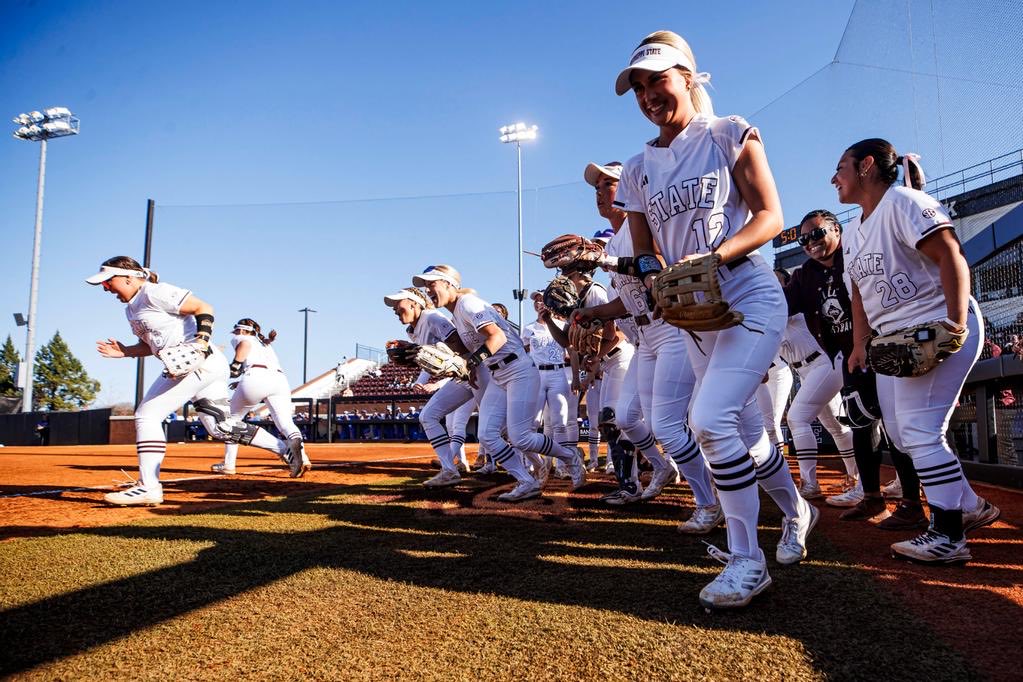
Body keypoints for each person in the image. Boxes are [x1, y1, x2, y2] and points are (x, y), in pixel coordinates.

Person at [612, 30, 815, 608]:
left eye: (659, 80)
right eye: (640, 87)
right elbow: (646, 249)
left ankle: (747, 558)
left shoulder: (727, 132)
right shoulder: (636, 168)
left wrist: (713, 258)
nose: (650, 95)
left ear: (689, 77)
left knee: (708, 418)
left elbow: (771, 216)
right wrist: (657, 277)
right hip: (690, 309)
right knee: (745, 433)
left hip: (746, 290)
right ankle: (797, 509)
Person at [838, 139, 1000, 562]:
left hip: (933, 327)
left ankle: (948, 535)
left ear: (866, 166)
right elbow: (858, 293)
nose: (833, 178)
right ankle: (968, 507)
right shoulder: (853, 230)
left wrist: (954, 323)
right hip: (894, 341)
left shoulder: (903, 201)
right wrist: (859, 344)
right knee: (906, 437)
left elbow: (951, 256)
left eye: (841, 167)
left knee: (918, 432)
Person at [88, 256, 302, 506]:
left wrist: (201, 339)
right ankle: (284, 448)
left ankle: (148, 486)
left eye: (108, 281)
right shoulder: (131, 308)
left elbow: (203, 307)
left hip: (198, 361)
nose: (105, 287)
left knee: (147, 415)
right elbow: (151, 345)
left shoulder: (154, 292)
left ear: (128, 277)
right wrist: (126, 351)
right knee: (220, 427)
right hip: (203, 365)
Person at [576, 161, 720, 525]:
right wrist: (592, 314)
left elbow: (657, 265)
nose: (600, 192)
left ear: (627, 190)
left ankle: (709, 501)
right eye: (596, 187)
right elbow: (627, 300)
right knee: (626, 417)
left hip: (671, 327)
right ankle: (662, 467)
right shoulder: (617, 240)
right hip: (645, 338)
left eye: (608, 184)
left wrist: (607, 259)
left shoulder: (642, 226)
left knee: (668, 424)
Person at [785, 209, 927, 528]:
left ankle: (913, 502)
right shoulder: (804, 275)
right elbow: (780, 306)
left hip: (884, 348)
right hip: (850, 357)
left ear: (836, 230)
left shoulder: (856, 253)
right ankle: (872, 497)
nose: (810, 243)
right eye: (803, 239)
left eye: (817, 234)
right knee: (861, 425)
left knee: (895, 424)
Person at [414, 264, 587, 502]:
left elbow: (498, 336)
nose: (428, 290)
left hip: (518, 370)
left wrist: (472, 362)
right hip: (498, 375)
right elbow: (471, 348)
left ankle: (570, 457)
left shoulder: (468, 304)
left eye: (431, 284)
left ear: (448, 283)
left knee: (521, 437)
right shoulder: (457, 311)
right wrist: (469, 363)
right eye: (425, 286)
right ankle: (527, 482)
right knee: (487, 435)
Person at [384, 286, 473, 487]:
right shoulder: (413, 330)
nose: (395, 310)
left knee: (507, 432)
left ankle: (544, 466)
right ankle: (449, 470)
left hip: (479, 373)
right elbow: (432, 359)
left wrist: (436, 372)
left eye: (399, 304)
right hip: (463, 378)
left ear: (415, 303)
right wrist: (416, 357)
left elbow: (460, 346)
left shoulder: (432, 318)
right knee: (428, 416)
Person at [212, 319, 310, 475]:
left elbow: (245, 345)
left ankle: (228, 464)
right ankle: (302, 457)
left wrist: (236, 365)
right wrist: (242, 381)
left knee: (230, 421)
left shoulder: (242, 337)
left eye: (237, 331)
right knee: (286, 423)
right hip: (280, 380)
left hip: (255, 377)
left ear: (243, 330)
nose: (235, 333)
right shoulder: (265, 344)